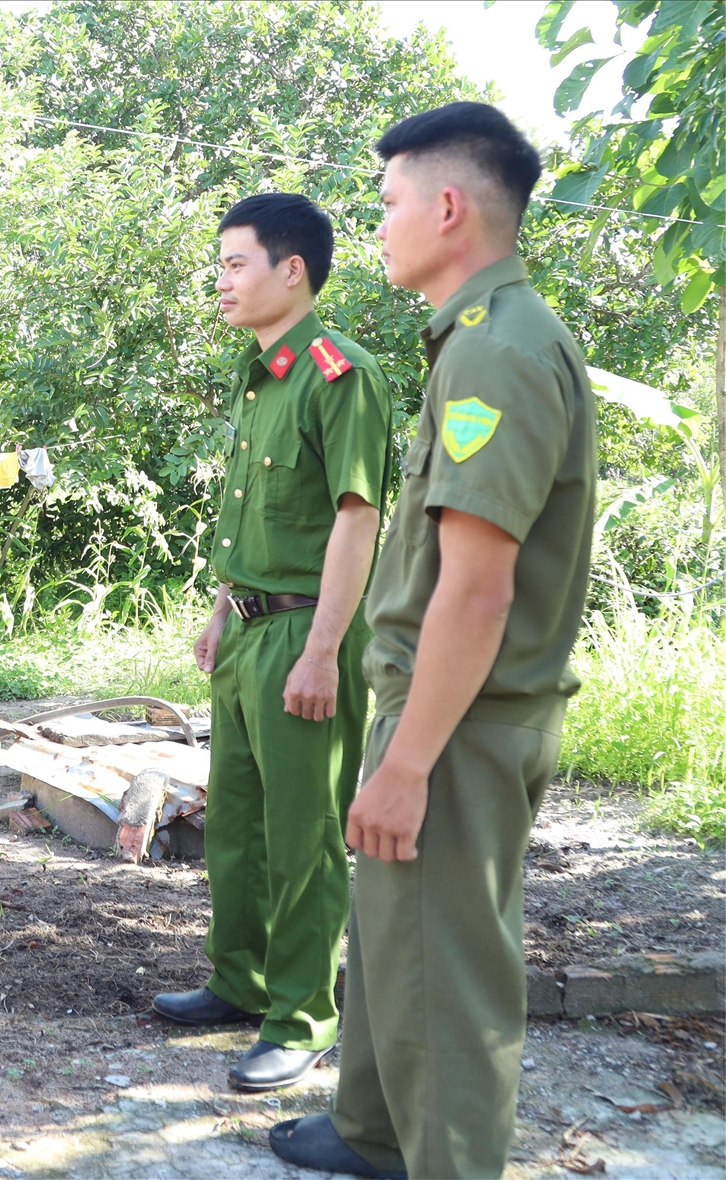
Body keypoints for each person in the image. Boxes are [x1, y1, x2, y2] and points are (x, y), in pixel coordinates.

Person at [269, 103, 596, 1179]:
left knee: (445, 965)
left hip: (458, 718)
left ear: (448, 208)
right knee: (396, 929)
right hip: (439, 704)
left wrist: (408, 763)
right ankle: (376, 1131)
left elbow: (478, 593)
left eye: (389, 202)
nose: (378, 224)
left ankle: (446, 1160)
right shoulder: (483, 336)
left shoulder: (496, 352)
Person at [152, 193, 394, 1091]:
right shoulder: (260, 377)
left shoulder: (340, 374)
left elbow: (356, 517)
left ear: (292, 271)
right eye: (218, 265)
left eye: (234, 263)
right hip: (250, 629)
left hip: (305, 631)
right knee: (239, 826)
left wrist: (324, 650)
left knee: (303, 835)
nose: (220, 281)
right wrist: (223, 606)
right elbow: (254, 510)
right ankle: (240, 982)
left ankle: (301, 1017)